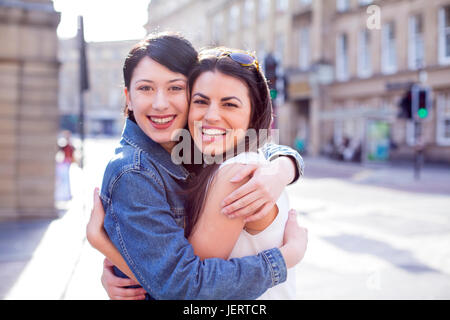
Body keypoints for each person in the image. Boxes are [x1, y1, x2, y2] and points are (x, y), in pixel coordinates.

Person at [86, 33, 307, 300]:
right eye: (145, 88)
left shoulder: (230, 166)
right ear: (128, 97)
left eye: (175, 88)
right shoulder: (136, 170)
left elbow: (184, 290)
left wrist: (285, 165)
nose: (160, 103)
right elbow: (182, 287)